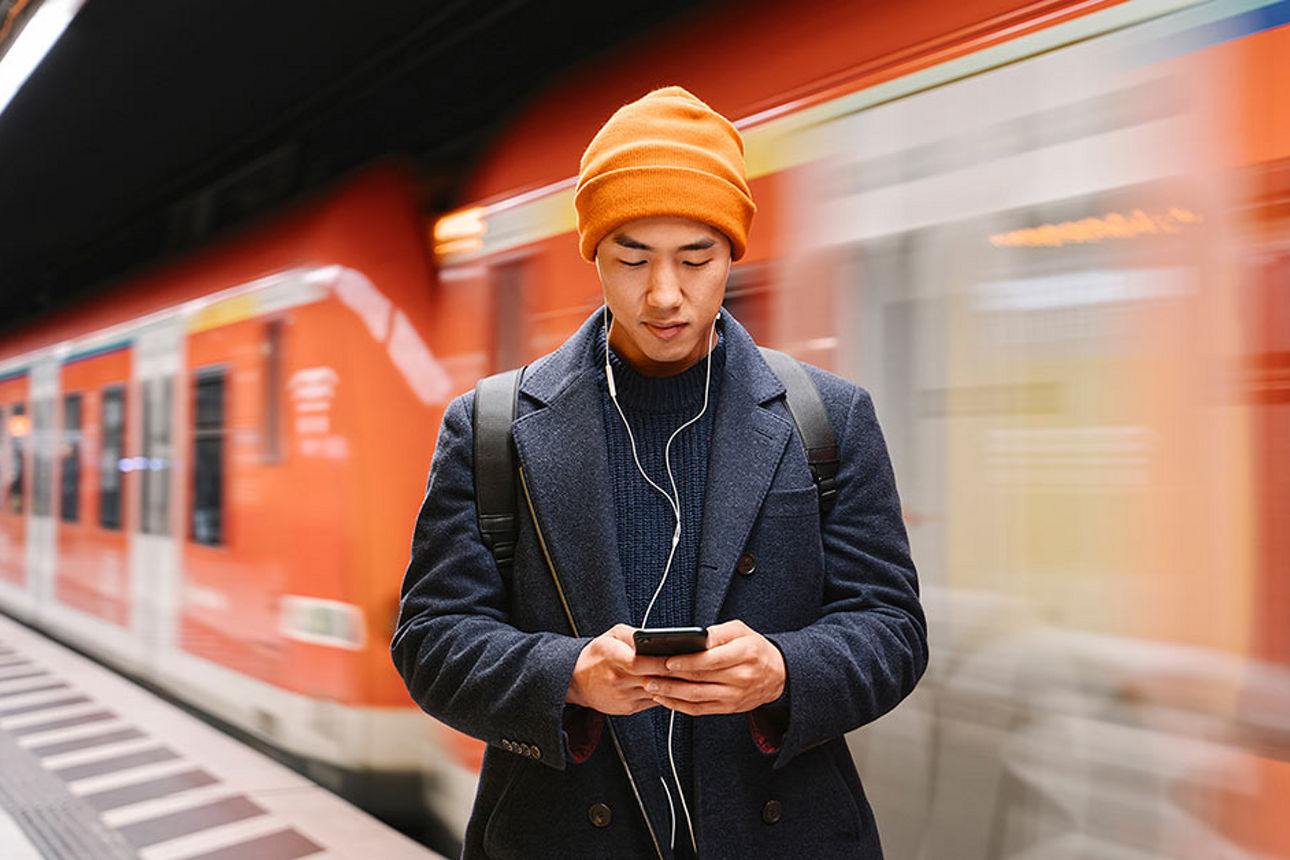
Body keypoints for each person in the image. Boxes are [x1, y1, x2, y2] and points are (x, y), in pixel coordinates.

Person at [391, 86, 926, 860]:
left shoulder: (828, 417)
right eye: (632, 258)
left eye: (696, 258)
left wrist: (783, 670)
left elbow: (894, 629)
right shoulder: (493, 427)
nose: (665, 293)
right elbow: (431, 638)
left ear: (732, 254)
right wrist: (566, 675)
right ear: (596, 259)